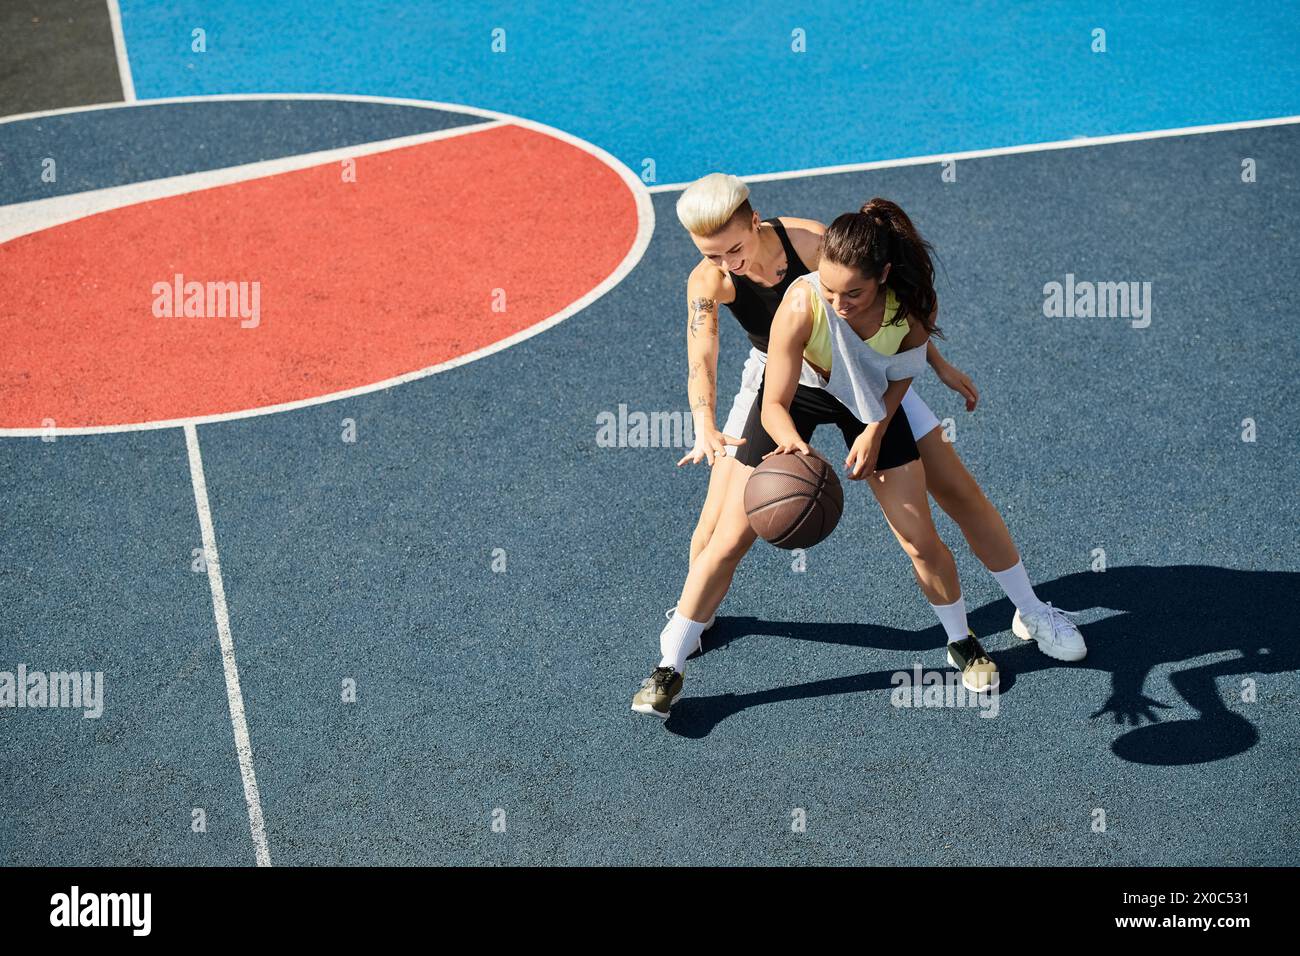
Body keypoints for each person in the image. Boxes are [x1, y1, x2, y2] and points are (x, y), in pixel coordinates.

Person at [632, 181, 1085, 718]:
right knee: (721, 533)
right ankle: (671, 662)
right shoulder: (717, 284)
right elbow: (702, 355)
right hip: (785, 373)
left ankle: (1016, 617)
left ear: (755, 222)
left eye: (733, 248)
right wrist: (713, 425)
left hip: (864, 372)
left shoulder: (814, 247)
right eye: (710, 253)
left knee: (949, 503)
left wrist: (928, 373)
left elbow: (892, 313)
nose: (726, 262)